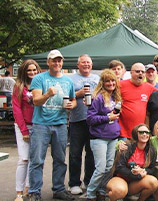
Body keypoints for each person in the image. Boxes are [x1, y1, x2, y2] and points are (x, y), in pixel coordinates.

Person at [29, 49, 76, 201]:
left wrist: (71, 105)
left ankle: (59, 189)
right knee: (37, 160)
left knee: (60, 159)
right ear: (48, 62)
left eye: (59, 60)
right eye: (54, 60)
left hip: (61, 124)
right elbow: (36, 101)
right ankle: (35, 192)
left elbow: (74, 100)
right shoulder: (39, 78)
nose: (57, 63)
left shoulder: (68, 81)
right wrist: (48, 94)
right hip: (41, 124)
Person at [86, 69, 122, 200]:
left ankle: (101, 190)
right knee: (100, 168)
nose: (111, 83)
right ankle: (90, 193)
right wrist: (107, 117)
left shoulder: (115, 97)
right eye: (107, 81)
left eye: (113, 80)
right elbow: (90, 119)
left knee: (108, 168)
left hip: (112, 138)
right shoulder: (98, 97)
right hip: (99, 138)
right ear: (102, 82)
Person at [68, 54, 100, 195]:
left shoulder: (97, 78)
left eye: (88, 62)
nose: (86, 64)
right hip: (77, 120)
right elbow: (66, 97)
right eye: (83, 62)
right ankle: (74, 183)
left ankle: (89, 181)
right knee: (75, 153)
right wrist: (79, 93)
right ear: (78, 65)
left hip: (93, 121)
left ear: (91, 65)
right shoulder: (70, 79)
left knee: (91, 153)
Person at [12, 60, 41, 201]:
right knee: (23, 159)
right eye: (29, 70)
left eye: (34, 70)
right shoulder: (19, 86)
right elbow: (16, 109)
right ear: (24, 71)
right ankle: (19, 191)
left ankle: (30, 188)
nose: (32, 73)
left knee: (34, 160)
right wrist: (23, 130)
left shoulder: (40, 84)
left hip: (37, 125)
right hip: (23, 126)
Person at [105, 124, 158, 201]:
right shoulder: (127, 146)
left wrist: (143, 171)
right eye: (141, 132)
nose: (144, 134)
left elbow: (152, 169)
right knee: (119, 191)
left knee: (153, 182)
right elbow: (119, 167)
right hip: (120, 178)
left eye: (147, 132)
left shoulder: (152, 150)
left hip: (135, 183)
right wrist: (134, 174)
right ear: (136, 134)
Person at [119, 63, 157, 139]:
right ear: (131, 73)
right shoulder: (120, 85)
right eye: (137, 71)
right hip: (123, 133)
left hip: (141, 133)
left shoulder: (149, 88)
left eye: (142, 72)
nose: (140, 73)